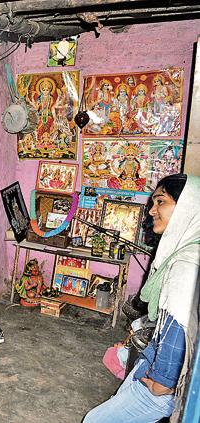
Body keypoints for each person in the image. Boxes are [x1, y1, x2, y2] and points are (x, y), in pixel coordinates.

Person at [83, 173, 200, 422]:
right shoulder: (190, 249)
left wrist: (161, 382)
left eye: (161, 202)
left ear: (188, 207)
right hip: (162, 365)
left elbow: (178, 328)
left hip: (167, 381)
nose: (151, 211)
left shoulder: (185, 264)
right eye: (152, 203)